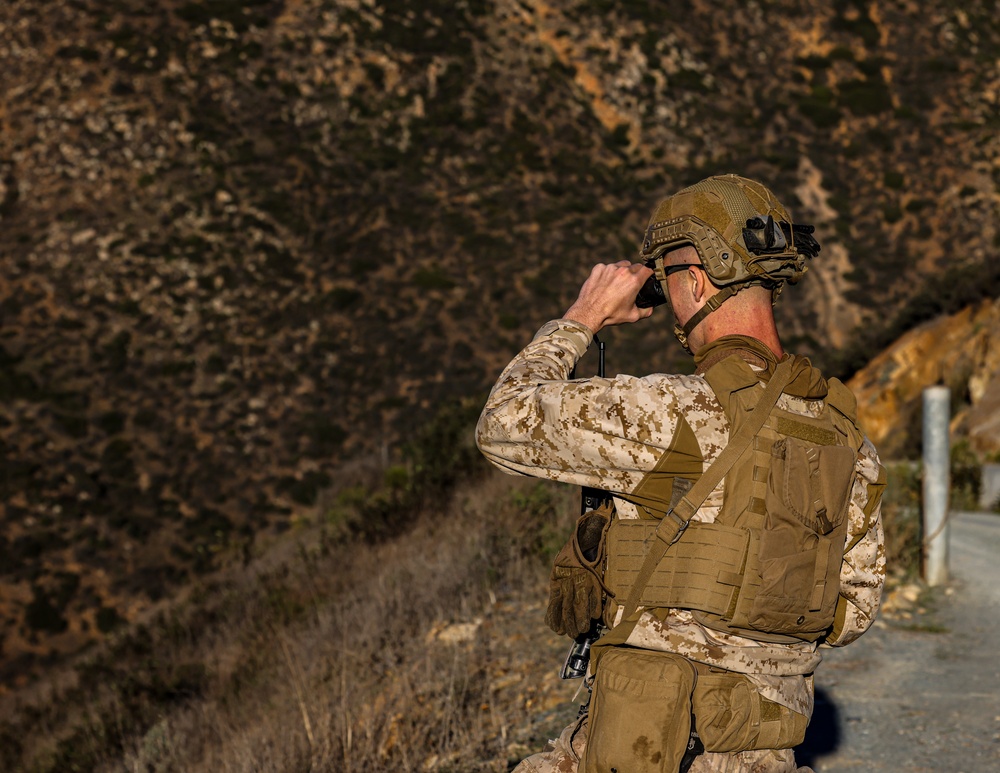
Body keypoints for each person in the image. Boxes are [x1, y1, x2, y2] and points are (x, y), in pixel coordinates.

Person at [476, 175, 886, 773]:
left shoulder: (666, 413)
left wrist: (583, 316)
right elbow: (855, 611)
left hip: (647, 742)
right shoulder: (849, 436)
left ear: (694, 281)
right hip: (766, 747)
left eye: (667, 278)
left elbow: (502, 422)